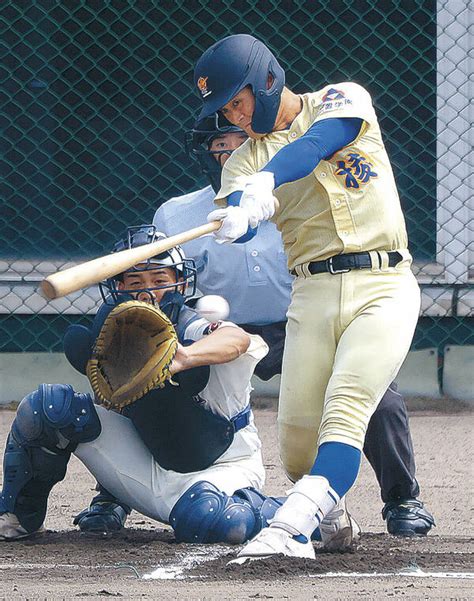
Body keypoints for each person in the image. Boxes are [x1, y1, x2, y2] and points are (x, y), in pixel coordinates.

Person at [192, 34, 432, 560]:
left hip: (383, 283)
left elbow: (317, 145)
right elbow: (237, 207)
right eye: (225, 107)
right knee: (298, 446)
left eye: (238, 100)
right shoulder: (241, 162)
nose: (235, 115)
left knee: (346, 409)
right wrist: (236, 216)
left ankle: (294, 525)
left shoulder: (341, 98)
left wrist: (267, 182)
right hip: (312, 294)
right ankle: (330, 513)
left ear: (268, 80)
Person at [0, 226, 356, 550]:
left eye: (159, 279)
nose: (149, 291)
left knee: (213, 519)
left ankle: (310, 514)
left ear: (179, 283)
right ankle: (17, 516)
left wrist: (183, 357)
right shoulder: (110, 333)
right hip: (144, 461)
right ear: (118, 287)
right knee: (48, 408)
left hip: (222, 465)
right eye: (136, 282)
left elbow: (237, 339)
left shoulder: (194, 324)